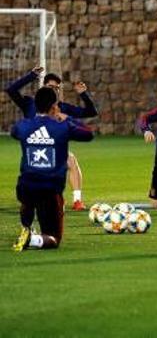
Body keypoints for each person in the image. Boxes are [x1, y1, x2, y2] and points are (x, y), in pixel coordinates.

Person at [11, 87, 94, 251]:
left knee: (27, 196)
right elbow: (89, 134)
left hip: (26, 186)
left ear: (36, 105)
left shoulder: (23, 125)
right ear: (54, 106)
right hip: (50, 189)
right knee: (53, 239)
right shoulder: (62, 126)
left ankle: (26, 226)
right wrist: (68, 119)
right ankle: (33, 239)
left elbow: (15, 132)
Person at [6, 66, 97, 210]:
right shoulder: (30, 104)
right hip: (35, 150)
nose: (54, 90)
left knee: (71, 160)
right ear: (43, 87)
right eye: (50, 87)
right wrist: (31, 76)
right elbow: (11, 90)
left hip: (54, 151)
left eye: (57, 88)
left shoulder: (62, 108)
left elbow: (91, 112)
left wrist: (84, 94)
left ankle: (77, 201)